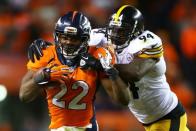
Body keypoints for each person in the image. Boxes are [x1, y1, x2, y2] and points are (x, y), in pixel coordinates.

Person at [27, 5, 190, 131]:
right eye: (114, 30)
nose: (116, 35)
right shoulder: (103, 36)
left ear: (137, 32)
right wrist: (46, 45)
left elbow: (133, 73)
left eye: (123, 31)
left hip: (167, 115)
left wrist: (98, 64)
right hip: (147, 117)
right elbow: (74, 38)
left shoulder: (149, 42)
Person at [20, 11, 131, 131]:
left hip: (87, 127)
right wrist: (42, 76)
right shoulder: (46, 55)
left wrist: (110, 70)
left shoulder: (97, 56)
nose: (68, 42)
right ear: (57, 36)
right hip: (57, 127)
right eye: (64, 37)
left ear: (85, 39)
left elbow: (123, 100)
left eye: (74, 39)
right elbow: (24, 95)